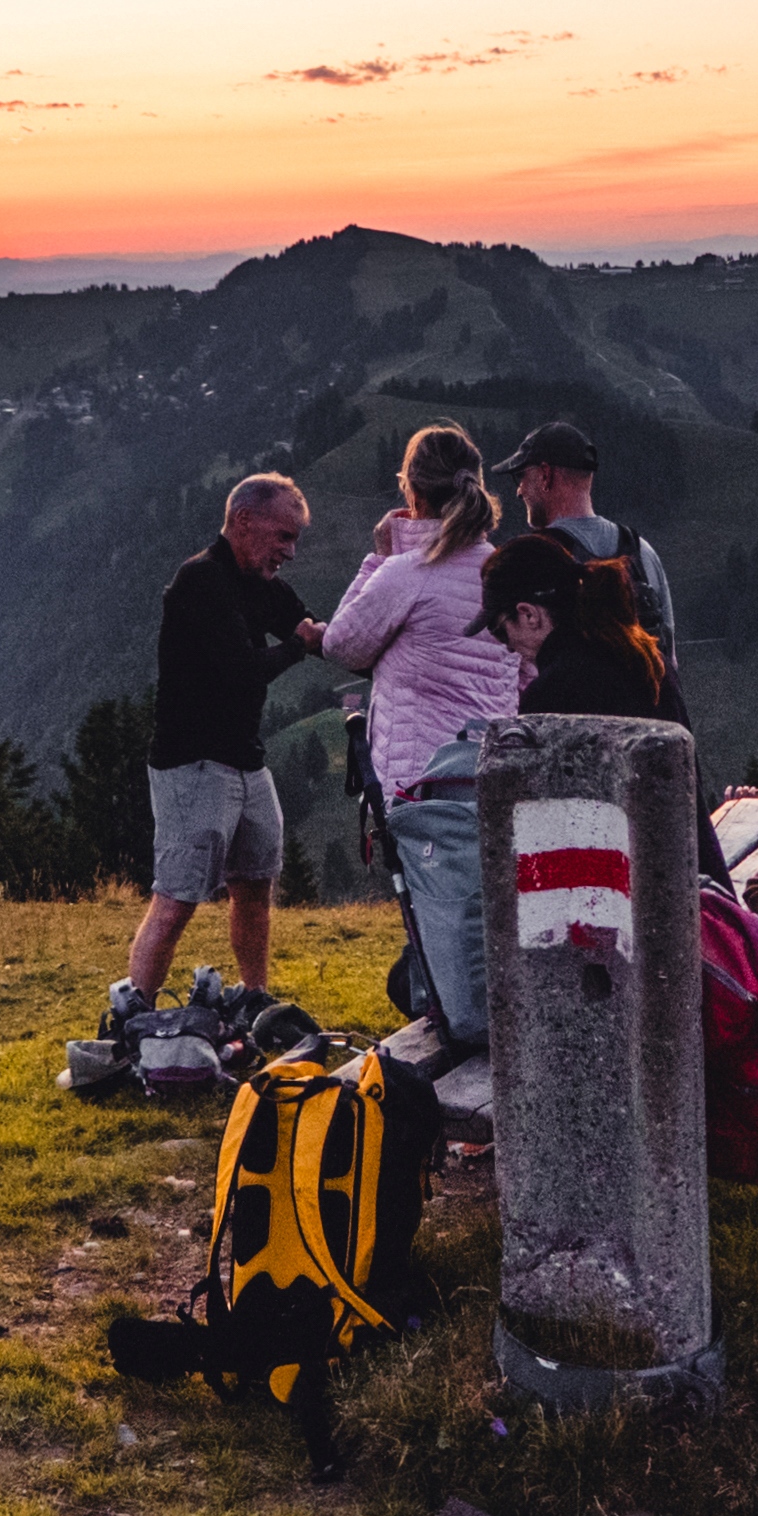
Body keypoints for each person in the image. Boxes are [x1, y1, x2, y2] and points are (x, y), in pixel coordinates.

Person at [323, 430, 530, 1051]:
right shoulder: (501, 571)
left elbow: (341, 644)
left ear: (408, 493)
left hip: (423, 779)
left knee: (437, 912)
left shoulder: (407, 572)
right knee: (486, 909)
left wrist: (378, 558)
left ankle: (452, 1030)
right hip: (494, 764)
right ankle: (474, 1013)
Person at [122, 472, 318, 1017]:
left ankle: (254, 999)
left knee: (255, 883)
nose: (290, 552)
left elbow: (308, 627)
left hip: (244, 761)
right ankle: (132, 1015)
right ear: (243, 521)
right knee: (177, 897)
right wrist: (301, 647)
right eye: (283, 536)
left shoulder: (259, 582)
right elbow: (243, 672)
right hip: (193, 763)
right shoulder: (200, 582)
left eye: (294, 539)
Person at [497, 419, 683, 714]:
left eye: (521, 476)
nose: (519, 491)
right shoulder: (641, 551)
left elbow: (511, 673)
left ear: (545, 475)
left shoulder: (531, 563)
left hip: (571, 732)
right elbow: (669, 659)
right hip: (653, 728)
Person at [486, 532, 672, 717]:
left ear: (529, 615)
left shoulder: (549, 695)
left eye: (500, 631)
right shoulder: (652, 663)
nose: (509, 648)